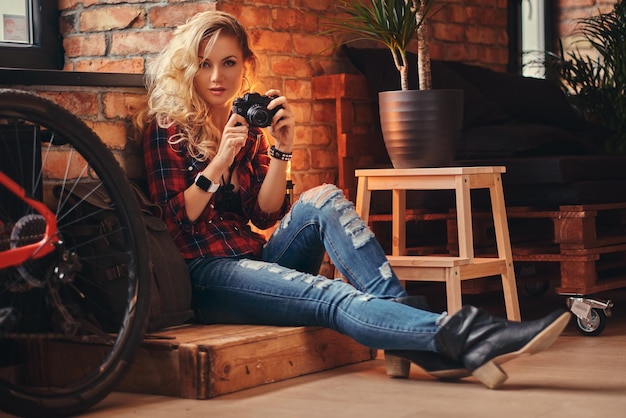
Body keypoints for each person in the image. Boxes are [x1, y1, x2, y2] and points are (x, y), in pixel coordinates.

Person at [137, 10, 571, 390]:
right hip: (209, 276)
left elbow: (265, 214)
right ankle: (469, 336)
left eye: (228, 63)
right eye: (204, 64)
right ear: (188, 68)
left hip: (256, 258)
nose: (217, 77)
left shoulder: (247, 125)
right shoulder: (168, 127)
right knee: (330, 294)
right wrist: (219, 161)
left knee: (324, 197)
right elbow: (175, 223)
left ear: (244, 66)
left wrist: (281, 151)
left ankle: (409, 333)